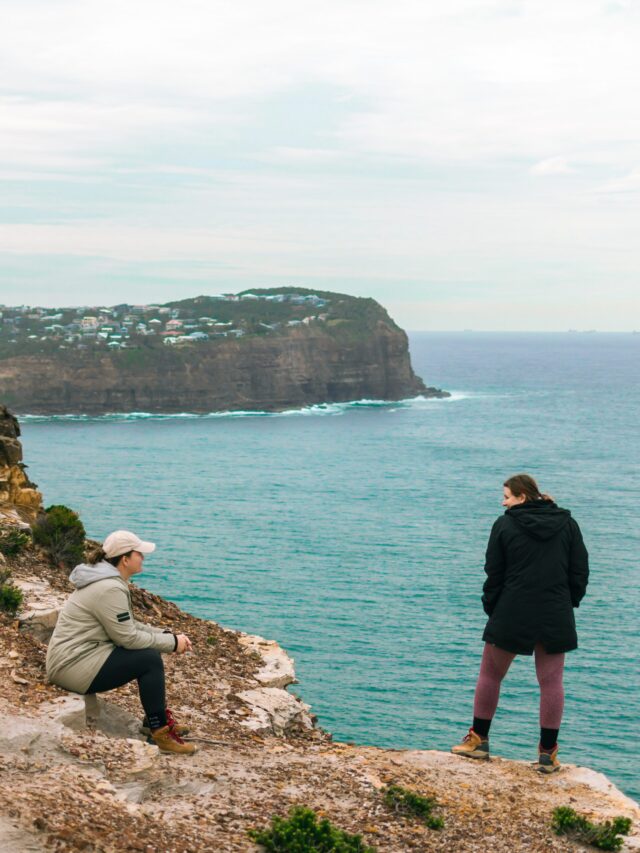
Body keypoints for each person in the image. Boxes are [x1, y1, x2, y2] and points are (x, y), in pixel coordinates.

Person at [451, 474, 589, 773]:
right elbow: (580, 571)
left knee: (490, 674)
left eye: (507, 497)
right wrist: (567, 603)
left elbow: (494, 571)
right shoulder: (567, 524)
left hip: (512, 609)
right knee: (551, 681)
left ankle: (478, 742)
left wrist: (493, 608)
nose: (503, 503)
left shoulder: (505, 525)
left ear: (522, 497)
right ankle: (548, 755)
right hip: (554, 611)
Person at [46, 530, 196, 755]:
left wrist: (167, 636)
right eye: (139, 554)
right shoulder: (110, 588)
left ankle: (155, 721)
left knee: (150, 650)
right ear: (125, 559)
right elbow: (127, 638)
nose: (143, 558)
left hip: (77, 658)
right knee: (149, 659)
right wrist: (172, 643)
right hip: (71, 666)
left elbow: (129, 625)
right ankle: (160, 733)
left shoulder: (107, 581)